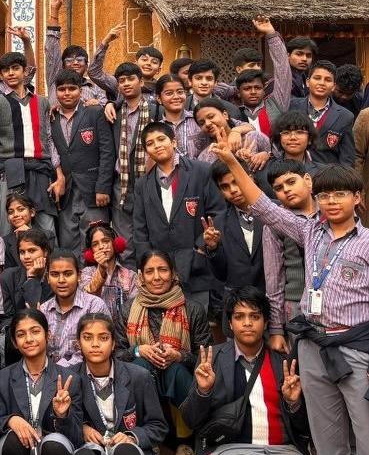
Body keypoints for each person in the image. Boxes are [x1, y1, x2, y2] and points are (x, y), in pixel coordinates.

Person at [210, 139, 369, 455]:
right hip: (312, 346)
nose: (331, 202)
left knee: (367, 438)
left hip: (356, 350)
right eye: (326, 195)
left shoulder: (367, 243)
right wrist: (233, 162)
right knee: (327, 443)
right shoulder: (309, 232)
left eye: (340, 194)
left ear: (357, 198)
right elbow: (262, 205)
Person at [179, 286, 329, 455]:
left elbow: (304, 428)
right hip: (231, 452)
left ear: (266, 322)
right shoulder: (212, 360)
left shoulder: (283, 362)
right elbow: (191, 420)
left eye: (255, 316)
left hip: (284, 453)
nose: (247, 323)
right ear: (230, 323)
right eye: (239, 317)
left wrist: (294, 402)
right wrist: (203, 391)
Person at [114, 249, 211, 455]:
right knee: (140, 368)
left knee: (175, 370)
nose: (157, 277)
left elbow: (206, 357)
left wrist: (179, 355)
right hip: (143, 379)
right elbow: (117, 354)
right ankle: (149, 440)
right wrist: (138, 350)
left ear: (173, 273)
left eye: (163, 270)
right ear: (141, 276)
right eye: (150, 271)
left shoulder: (192, 309)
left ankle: (185, 443)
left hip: (179, 381)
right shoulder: (129, 310)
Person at [0, 308, 81, 455]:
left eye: (35, 331)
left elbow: (76, 436)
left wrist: (62, 416)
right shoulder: (3, 378)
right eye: (21, 334)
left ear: (48, 335)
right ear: (14, 342)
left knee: (54, 443)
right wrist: (10, 420)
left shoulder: (68, 378)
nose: (29, 339)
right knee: (13, 439)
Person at [0, 51, 65, 236]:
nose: (11, 73)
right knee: (9, 225)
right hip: (10, 169)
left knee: (46, 225)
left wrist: (59, 174)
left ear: (24, 71)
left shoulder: (42, 102)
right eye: (6, 70)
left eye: (15, 68)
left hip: (40, 169)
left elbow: (48, 139)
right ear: (1, 75)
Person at [73, 312, 166, 455]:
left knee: (125, 453)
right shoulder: (70, 378)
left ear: (114, 343)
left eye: (103, 338)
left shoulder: (139, 376)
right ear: (78, 343)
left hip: (128, 454)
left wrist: (132, 436)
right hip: (93, 453)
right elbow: (61, 423)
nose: (95, 344)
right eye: (87, 338)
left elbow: (158, 426)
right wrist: (81, 428)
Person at [132, 121, 225, 305]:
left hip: (198, 268)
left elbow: (218, 211)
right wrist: (148, 264)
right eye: (150, 143)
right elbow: (139, 229)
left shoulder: (201, 171)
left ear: (174, 142)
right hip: (161, 275)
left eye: (161, 139)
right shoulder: (142, 185)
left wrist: (201, 248)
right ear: (146, 151)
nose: (157, 145)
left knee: (197, 320)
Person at [48, 68, 114, 253]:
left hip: (93, 191)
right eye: (62, 89)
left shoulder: (94, 112)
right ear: (56, 92)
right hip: (66, 192)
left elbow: (107, 152)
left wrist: (103, 187)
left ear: (80, 90)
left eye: (72, 88)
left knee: (96, 244)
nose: (67, 93)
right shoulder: (51, 118)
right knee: (69, 245)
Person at [107, 62, 162, 251]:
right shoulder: (113, 113)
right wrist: (109, 104)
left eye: (131, 79)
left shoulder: (156, 110)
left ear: (141, 82)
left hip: (150, 179)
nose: (126, 84)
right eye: (122, 81)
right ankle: (128, 270)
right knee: (124, 239)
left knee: (151, 231)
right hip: (121, 182)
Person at [262, 160, 314, 352]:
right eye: (278, 188)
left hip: (334, 303)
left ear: (307, 180)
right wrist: (276, 329)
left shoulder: (330, 210)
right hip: (295, 305)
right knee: (302, 364)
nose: (286, 190)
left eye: (291, 182)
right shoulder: (274, 224)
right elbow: (274, 280)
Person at [206, 161, 265, 316]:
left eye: (236, 182)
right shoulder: (218, 223)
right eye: (225, 187)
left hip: (272, 303)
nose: (233, 190)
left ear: (250, 178)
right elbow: (221, 274)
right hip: (237, 308)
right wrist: (213, 248)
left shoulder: (276, 211)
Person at [38, 249, 109, 365]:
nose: (61, 280)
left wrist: (59, 370)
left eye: (68, 274)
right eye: (55, 274)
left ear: (79, 276)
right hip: (49, 374)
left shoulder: (93, 305)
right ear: (48, 278)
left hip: (86, 372)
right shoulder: (44, 310)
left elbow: (96, 349)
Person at [289, 59, 356, 168]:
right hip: (294, 171)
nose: (322, 83)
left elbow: (347, 158)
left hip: (326, 175)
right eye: (317, 78)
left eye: (328, 80)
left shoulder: (345, 116)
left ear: (334, 86)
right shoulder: (291, 106)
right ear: (307, 82)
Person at [45, 0, 107, 106]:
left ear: (87, 65)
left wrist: (97, 104)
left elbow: (105, 106)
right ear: (62, 65)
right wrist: (54, 11)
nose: (75, 63)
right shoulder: (55, 81)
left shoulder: (95, 87)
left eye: (79, 60)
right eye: (69, 60)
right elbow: (52, 51)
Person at [79, 221, 137, 332]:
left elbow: (134, 310)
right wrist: (101, 269)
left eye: (105, 241)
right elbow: (87, 299)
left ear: (115, 245)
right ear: (90, 252)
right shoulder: (86, 273)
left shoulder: (131, 276)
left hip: (124, 332)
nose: (101, 247)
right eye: (95, 244)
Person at [88, 22, 163, 98]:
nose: (148, 63)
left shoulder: (162, 88)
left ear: (159, 70)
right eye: (144, 60)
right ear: (136, 63)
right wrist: (105, 42)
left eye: (154, 62)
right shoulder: (121, 83)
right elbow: (94, 73)